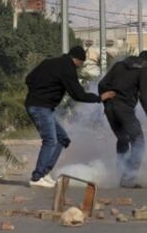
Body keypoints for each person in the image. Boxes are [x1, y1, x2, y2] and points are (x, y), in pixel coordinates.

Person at [25, 46, 115, 188]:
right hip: (40, 107)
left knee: (62, 139)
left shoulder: (49, 62)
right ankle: (37, 177)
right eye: (80, 64)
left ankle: (44, 173)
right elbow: (78, 95)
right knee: (50, 140)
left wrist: (41, 90)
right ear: (77, 60)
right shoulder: (67, 68)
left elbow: (29, 79)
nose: (79, 67)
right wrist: (100, 98)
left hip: (41, 106)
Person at [98, 50, 147, 188]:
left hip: (110, 108)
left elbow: (102, 84)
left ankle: (120, 174)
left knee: (123, 139)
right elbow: (144, 98)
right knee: (138, 141)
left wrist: (105, 101)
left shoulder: (119, 65)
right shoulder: (145, 70)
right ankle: (128, 178)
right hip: (124, 109)